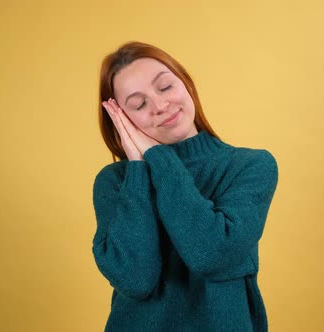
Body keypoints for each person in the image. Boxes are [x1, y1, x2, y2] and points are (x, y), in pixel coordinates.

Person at [92, 41, 279, 332]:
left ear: (186, 84)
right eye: (139, 104)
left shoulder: (251, 166)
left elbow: (212, 254)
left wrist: (157, 157)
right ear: (121, 119)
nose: (160, 105)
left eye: (165, 87)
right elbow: (136, 279)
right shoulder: (116, 182)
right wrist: (140, 170)